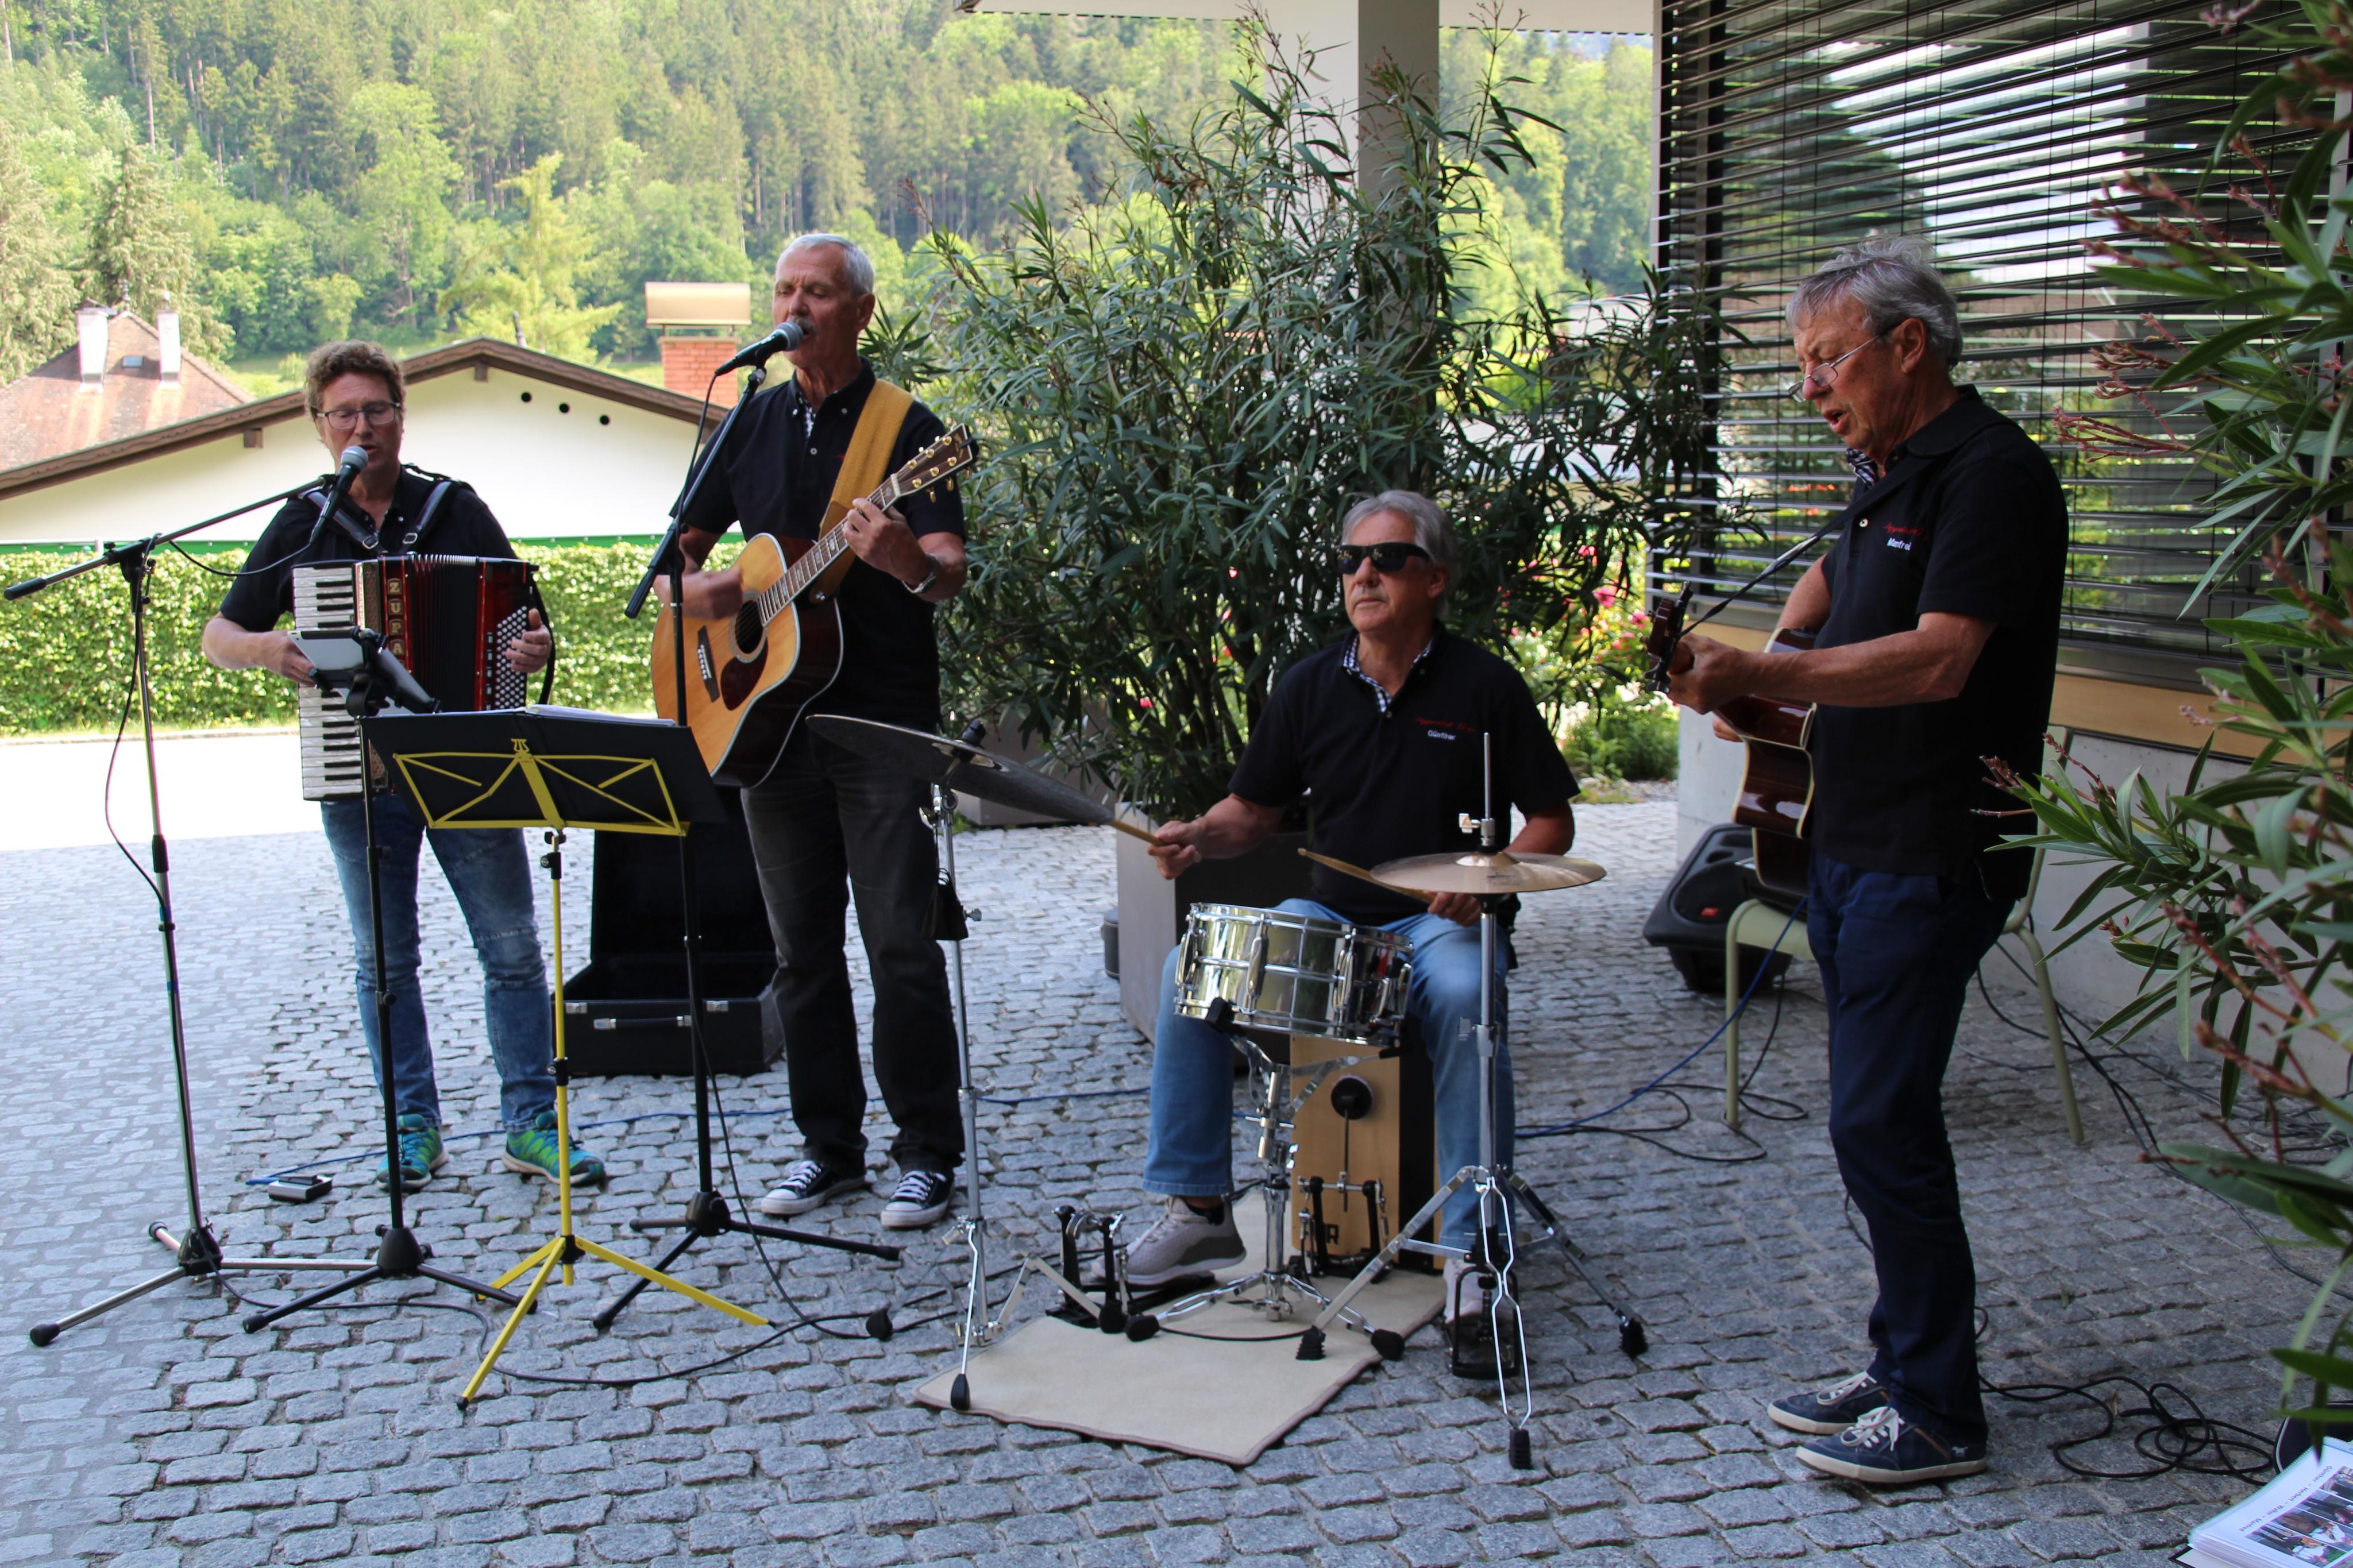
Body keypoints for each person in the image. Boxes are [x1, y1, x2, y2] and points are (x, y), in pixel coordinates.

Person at [1667, 235, 2065, 1486]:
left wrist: (1765, 669)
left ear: (1908, 346)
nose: (1809, 387)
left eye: (1826, 360)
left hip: (1933, 847)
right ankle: (1900, 1366)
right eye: (1800, 365)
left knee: (1880, 1122)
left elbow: (1941, 658)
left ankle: (1939, 1411)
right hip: (1848, 838)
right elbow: (1832, 588)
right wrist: (1756, 678)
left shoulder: (1990, 474)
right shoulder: (1885, 473)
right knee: (1871, 1122)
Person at [1127, 490, 1579, 1361]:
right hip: (1331, 919)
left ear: (1434, 578)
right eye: (1350, 560)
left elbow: (1551, 823)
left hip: (1437, 925)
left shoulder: (1485, 685)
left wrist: (1486, 882)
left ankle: (1474, 1252)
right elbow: (1252, 812)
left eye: (1388, 558)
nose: (1364, 573)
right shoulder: (1309, 685)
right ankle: (1199, 1211)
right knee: (1194, 965)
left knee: (1468, 994)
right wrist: (1200, 836)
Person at [200, 339, 602, 1194]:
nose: (362, 427)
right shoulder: (304, 524)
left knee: (512, 949)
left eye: (376, 410)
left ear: (400, 416)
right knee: (383, 960)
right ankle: (412, 1127)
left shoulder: (455, 508)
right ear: (320, 426)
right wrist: (271, 649)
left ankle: (531, 1124)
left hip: (467, 762)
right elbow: (219, 634)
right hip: (359, 770)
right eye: (344, 413)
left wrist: (533, 647)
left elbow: (530, 620)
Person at [670, 233, 969, 1231]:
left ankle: (926, 1152)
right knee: (800, 952)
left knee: (900, 946)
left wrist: (902, 560)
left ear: (861, 311)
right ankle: (828, 1150)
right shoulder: (749, 418)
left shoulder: (909, 430)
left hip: (877, 723)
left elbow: (948, 570)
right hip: (766, 728)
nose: (796, 307)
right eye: (785, 290)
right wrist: (717, 594)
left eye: (819, 292)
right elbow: (679, 564)